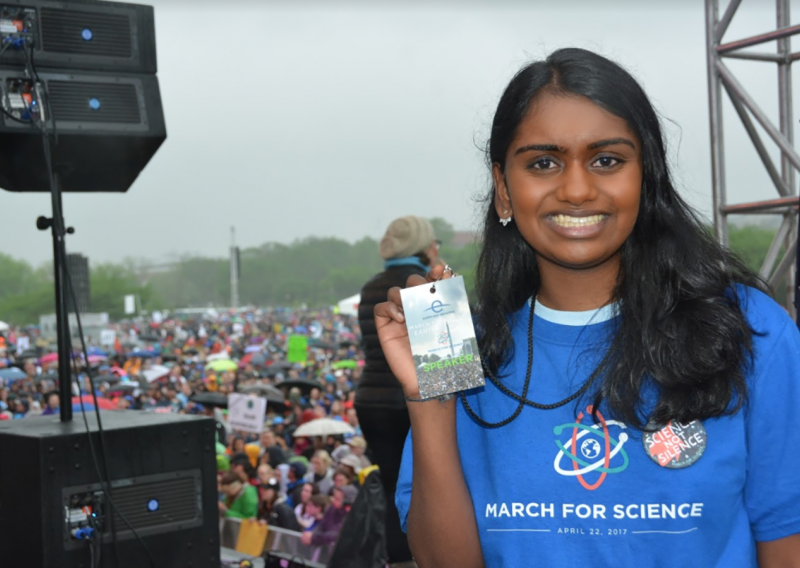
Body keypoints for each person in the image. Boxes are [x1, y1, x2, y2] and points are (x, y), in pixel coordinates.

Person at [377, 48, 800, 567]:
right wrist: (431, 400)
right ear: (503, 190)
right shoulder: (457, 348)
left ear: (647, 179)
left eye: (607, 160)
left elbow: (786, 538)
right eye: (543, 163)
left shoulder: (749, 330)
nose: (577, 189)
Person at [355, 215, 439, 564]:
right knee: (434, 486)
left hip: (371, 402)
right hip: (412, 401)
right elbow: (447, 365)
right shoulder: (423, 284)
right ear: (424, 247)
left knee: (393, 488)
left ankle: (399, 560)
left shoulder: (371, 286)